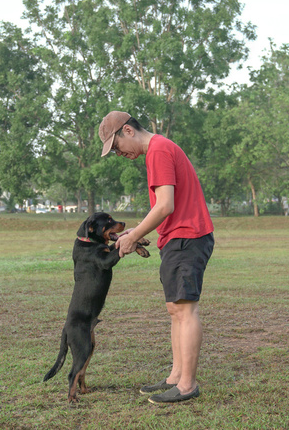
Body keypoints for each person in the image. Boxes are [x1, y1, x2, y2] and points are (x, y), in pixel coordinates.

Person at [98, 111, 214, 404]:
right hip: (178, 238)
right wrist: (136, 230)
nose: (118, 153)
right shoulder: (159, 150)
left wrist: (133, 237)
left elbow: (165, 205)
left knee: (185, 310)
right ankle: (176, 376)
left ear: (128, 130)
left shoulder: (159, 150)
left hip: (187, 238)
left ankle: (187, 385)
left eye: (116, 146)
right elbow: (165, 210)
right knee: (175, 309)